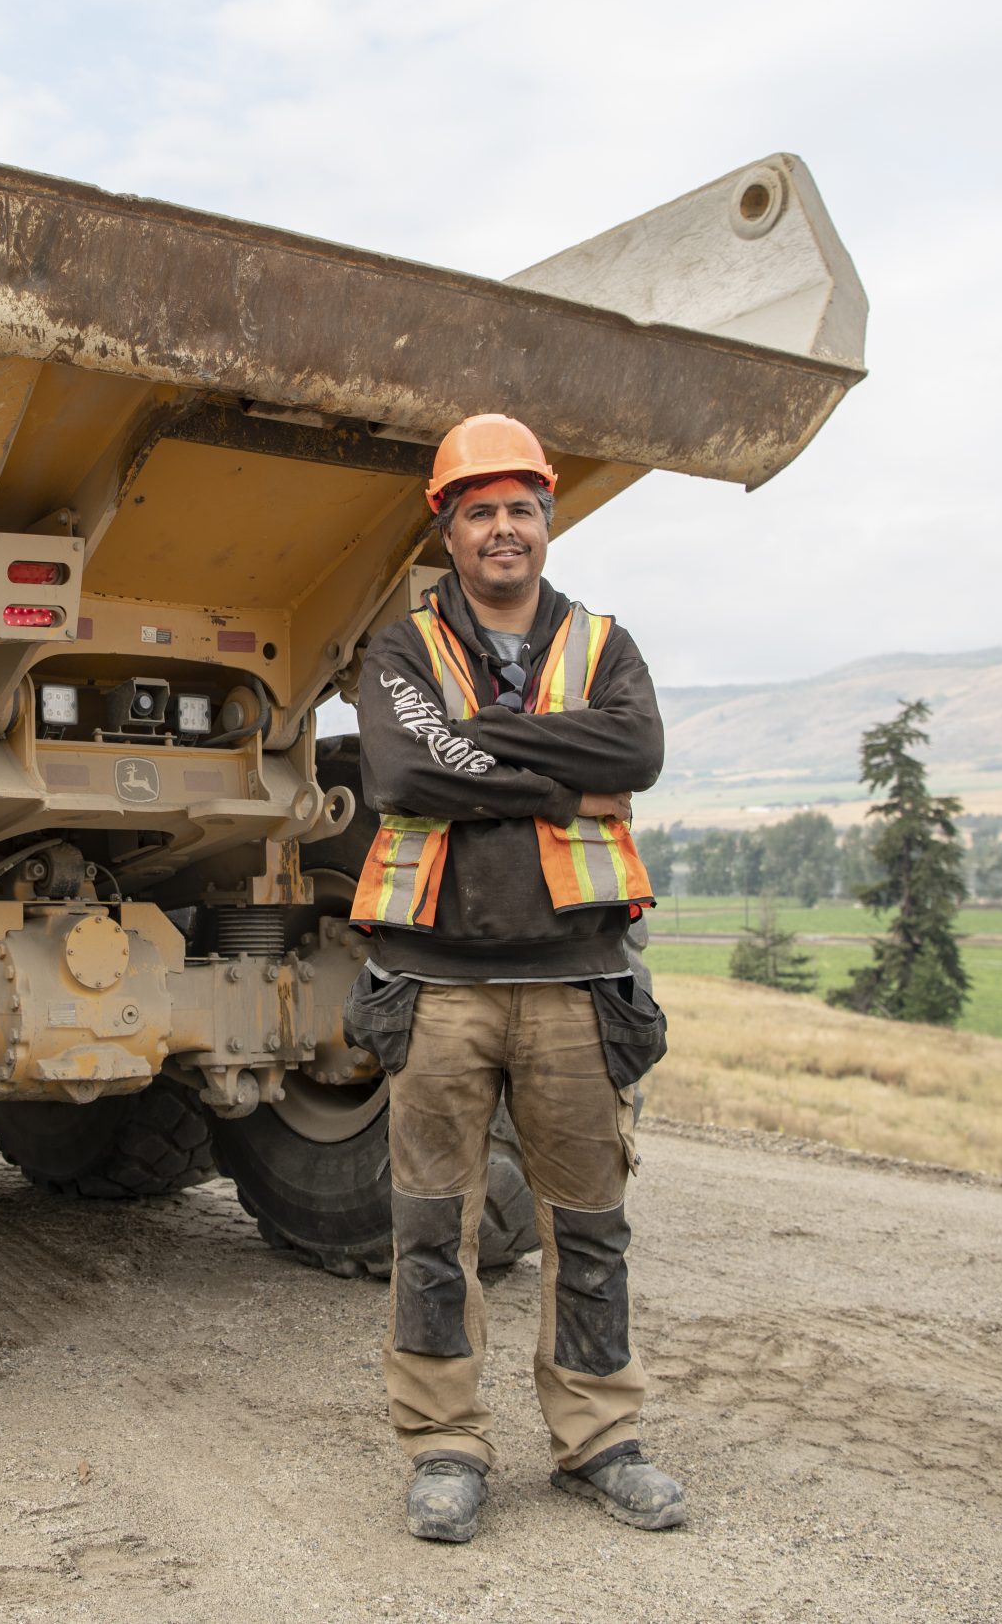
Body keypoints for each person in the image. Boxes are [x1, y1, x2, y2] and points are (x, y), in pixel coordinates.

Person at [350, 411, 681, 1544]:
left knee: (589, 1226)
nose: (504, 528)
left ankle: (599, 1439)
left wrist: (481, 742)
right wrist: (554, 780)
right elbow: (405, 770)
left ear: (549, 520)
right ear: (446, 528)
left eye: (522, 509)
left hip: (579, 979)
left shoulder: (604, 645)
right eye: (480, 510)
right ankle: (443, 1445)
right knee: (429, 1226)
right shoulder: (398, 653)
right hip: (435, 982)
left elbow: (633, 756)